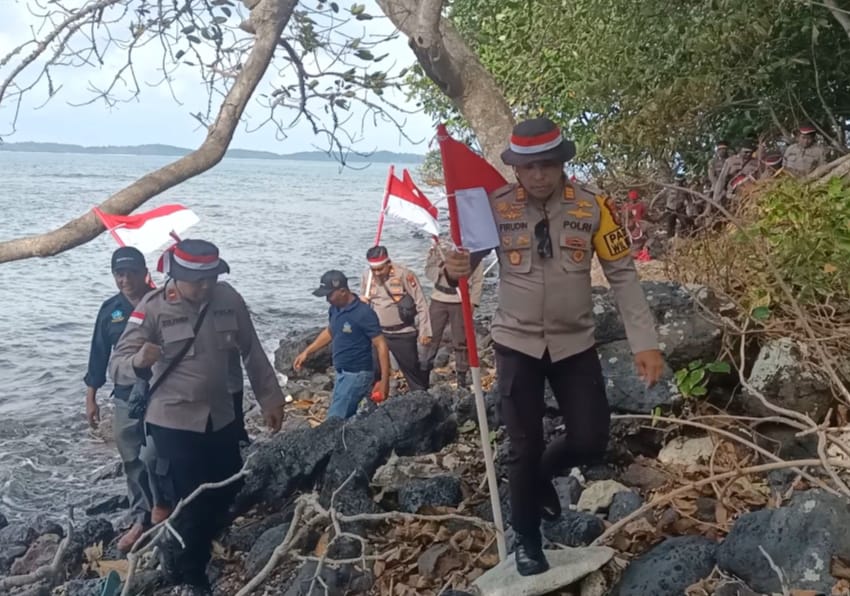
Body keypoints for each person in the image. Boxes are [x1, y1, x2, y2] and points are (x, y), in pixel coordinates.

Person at [442, 118, 664, 576]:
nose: (538, 175)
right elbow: (460, 265)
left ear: (562, 163)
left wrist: (645, 343)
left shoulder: (593, 207)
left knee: (590, 438)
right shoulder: (495, 208)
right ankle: (526, 538)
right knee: (522, 447)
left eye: (547, 165)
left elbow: (623, 275)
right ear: (515, 169)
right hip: (515, 343)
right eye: (528, 167)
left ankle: (542, 476)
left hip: (574, 343)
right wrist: (452, 267)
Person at [110, 239, 285, 592]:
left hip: (220, 416)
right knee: (189, 500)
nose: (206, 286)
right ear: (176, 275)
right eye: (197, 280)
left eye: (211, 278)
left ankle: (203, 546)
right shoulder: (153, 307)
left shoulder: (228, 298)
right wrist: (138, 361)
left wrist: (270, 397)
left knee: (227, 488)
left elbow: (252, 350)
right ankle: (191, 574)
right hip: (173, 422)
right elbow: (116, 365)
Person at [84, 246, 155, 552]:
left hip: (163, 392)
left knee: (162, 454)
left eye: (131, 273)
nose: (125, 280)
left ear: (145, 273)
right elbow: (98, 355)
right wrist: (91, 397)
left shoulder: (162, 301)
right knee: (132, 459)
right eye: (119, 274)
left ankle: (169, 508)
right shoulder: (110, 310)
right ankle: (141, 517)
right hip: (125, 395)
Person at [294, 270, 391, 418]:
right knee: (348, 414)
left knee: (335, 418)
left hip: (357, 373)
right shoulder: (335, 309)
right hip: (341, 372)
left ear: (343, 291)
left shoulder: (363, 313)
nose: (327, 299)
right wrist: (307, 351)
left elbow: (381, 345)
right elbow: (331, 331)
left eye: (330, 295)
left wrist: (384, 381)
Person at [360, 245, 432, 392]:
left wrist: (425, 331)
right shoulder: (367, 277)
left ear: (388, 263)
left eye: (380, 269)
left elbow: (421, 303)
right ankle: (374, 399)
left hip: (402, 332)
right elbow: (363, 302)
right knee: (374, 370)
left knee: (411, 370)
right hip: (378, 333)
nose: (377, 273)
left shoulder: (404, 274)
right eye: (374, 269)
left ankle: (421, 397)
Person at [423, 240, 484, 389]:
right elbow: (428, 271)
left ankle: (462, 377)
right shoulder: (439, 247)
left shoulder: (472, 249)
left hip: (460, 299)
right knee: (431, 337)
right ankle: (424, 372)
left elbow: (478, 279)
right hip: (439, 297)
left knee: (461, 340)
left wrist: (473, 302)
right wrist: (443, 269)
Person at [664, 173, 691, 238]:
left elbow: (689, 200)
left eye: (680, 182)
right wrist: (652, 203)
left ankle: (684, 238)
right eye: (677, 181)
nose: (678, 183)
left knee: (685, 224)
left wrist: (691, 210)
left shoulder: (685, 190)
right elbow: (660, 195)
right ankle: (669, 240)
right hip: (670, 210)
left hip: (680, 210)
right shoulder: (670, 187)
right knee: (670, 226)